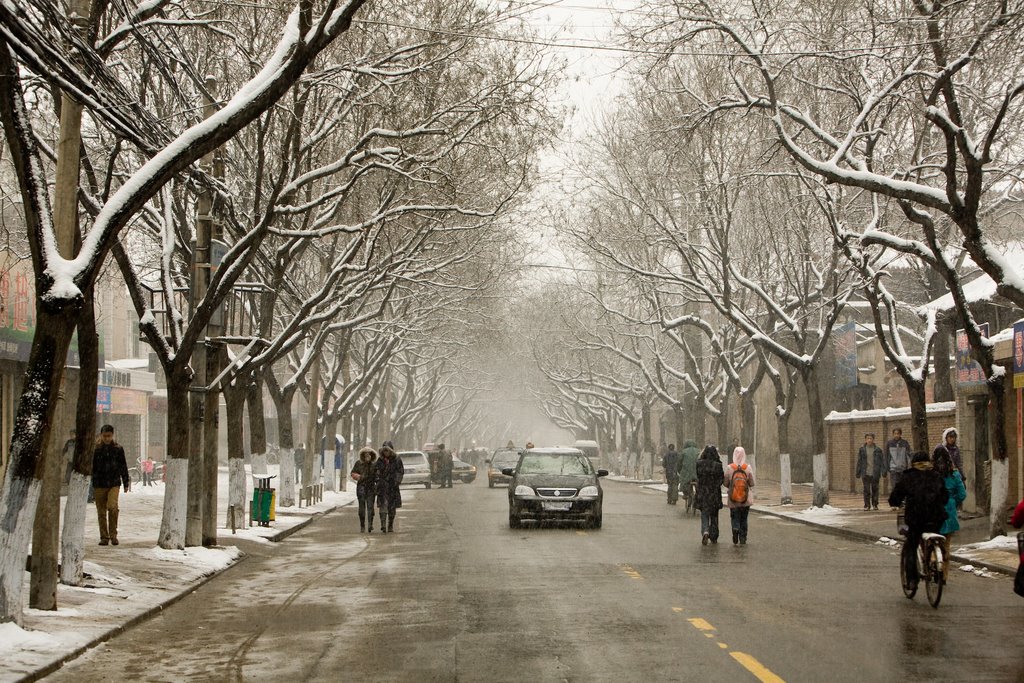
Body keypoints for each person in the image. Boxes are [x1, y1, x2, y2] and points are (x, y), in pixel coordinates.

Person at [887, 452, 948, 585]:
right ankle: (938, 564)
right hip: (936, 517)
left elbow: (896, 495)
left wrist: (894, 503)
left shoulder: (908, 476)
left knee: (911, 545)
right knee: (937, 537)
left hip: (916, 518)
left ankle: (912, 579)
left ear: (913, 463)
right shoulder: (936, 476)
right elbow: (945, 497)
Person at [91, 424, 130, 546]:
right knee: (101, 511)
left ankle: (113, 535)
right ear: (101, 436)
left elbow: (123, 465)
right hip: (99, 483)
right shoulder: (96, 449)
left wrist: (125, 482)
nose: (107, 438)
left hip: (114, 483)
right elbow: (92, 466)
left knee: (113, 507)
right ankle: (104, 537)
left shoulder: (118, 449)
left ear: (112, 435)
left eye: (109, 436)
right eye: (104, 436)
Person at [933, 447, 966, 581]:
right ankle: (944, 575)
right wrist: (953, 502)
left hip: (934, 511)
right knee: (946, 545)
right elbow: (962, 494)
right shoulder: (954, 474)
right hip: (950, 512)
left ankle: (933, 563)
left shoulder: (931, 474)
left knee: (933, 540)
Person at [695, 445, 725, 545]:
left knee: (704, 513)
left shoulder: (699, 464)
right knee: (714, 515)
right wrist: (715, 485)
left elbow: (698, 477)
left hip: (703, 493)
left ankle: (705, 531)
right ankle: (714, 534)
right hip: (714, 494)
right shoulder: (718, 465)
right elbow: (721, 479)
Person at [373, 441, 404, 533]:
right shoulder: (380, 460)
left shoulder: (397, 459)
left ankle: (390, 524)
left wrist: (396, 481)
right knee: (383, 505)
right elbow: (375, 471)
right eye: (384, 450)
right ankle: (383, 525)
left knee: (392, 507)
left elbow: (400, 471)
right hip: (382, 487)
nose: (385, 452)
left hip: (392, 487)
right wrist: (377, 479)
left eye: (387, 450)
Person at [726, 446, 754, 545]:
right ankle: (743, 537)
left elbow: (726, 482)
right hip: (745, 499)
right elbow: (751, 483)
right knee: (744, 518)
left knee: (734, 516)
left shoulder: (730, 467)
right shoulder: (748, 467)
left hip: (733, 498)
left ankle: (735, 528)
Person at [350, 447, 378, 533]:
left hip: (371, 488)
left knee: (370, 507)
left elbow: (378, 475)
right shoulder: (358, 463)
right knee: (361, 508)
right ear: (362, 455)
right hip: (361, 487)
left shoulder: (374, 465)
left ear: (371, 455)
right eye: (365, 454)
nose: (367, 456)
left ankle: (370, 524)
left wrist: (377, 481)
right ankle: (362, 525)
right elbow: (353, 473)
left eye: (369, 454)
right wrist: (359, 477)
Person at [856, 433, 885, 510]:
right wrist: (858, 472)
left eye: (871, 438)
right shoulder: (862, 450)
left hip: (875, 473)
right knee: (866, 490)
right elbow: (859, 461)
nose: (869, 440)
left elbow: (882, 461)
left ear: (873, 439)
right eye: (868, 438)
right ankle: (867, 505)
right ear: (865, 440)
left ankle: (875, 504)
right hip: (865, 473)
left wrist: (883, 471)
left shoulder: (878, 450)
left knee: (875, 489)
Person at [677, 440, 699, 507]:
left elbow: (679, 463)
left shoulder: (683, 452)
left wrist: (679, 470)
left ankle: (685, 494)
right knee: (699, 484)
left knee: (684, 482)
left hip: (686, 473)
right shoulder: (698, 451)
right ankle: (698, 495)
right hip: (697, 472)